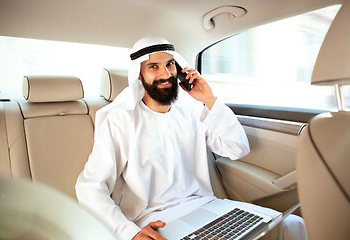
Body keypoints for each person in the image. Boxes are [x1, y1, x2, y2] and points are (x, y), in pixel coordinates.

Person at [76, 37, 307, 240]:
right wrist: (128, 232)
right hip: (156, 220)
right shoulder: (119, 121)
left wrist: (209, 100)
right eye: (153, 67)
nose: (165, 74)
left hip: (207, 206)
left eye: (169, 65)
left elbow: (237, 148)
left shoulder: (191, 108)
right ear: (139, 74)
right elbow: (90, 187)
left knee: (292, 224)